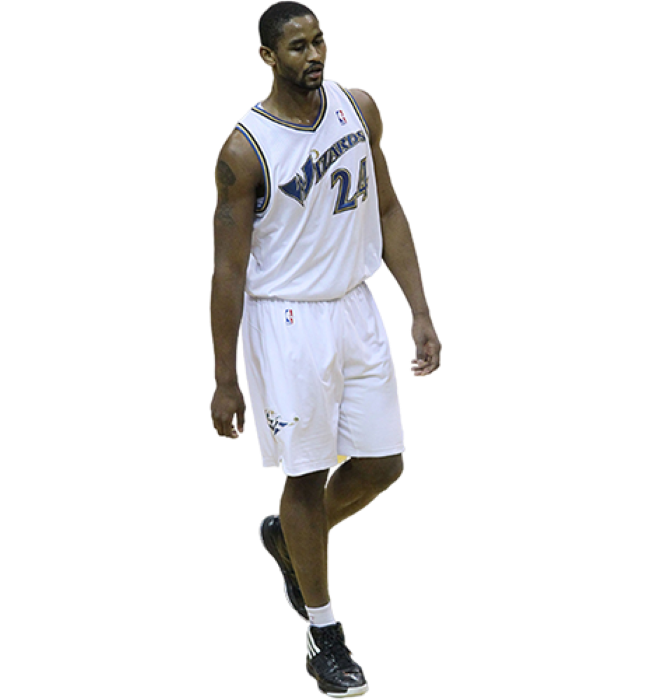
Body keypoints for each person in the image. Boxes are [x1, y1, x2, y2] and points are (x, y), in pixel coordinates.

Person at [210, 2, 442, 697]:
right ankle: (323, 633)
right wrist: (225, 380)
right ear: (267, 56)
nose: (313, 55)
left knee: (384, 466)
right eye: (297, 46)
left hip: (355, 307)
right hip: (286, 322)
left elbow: (388, 208)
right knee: (306, 478)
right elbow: (227, 270)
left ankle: (288, 540)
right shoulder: (244, 149)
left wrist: (420, 311)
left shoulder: (358, 108)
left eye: (319, 42)